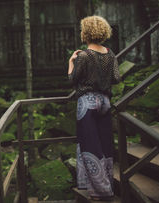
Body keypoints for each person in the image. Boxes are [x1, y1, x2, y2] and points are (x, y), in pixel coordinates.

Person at [68, 16, 121, 201]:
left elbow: (73, 79)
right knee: (105, 144)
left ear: (86, 32)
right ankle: (101, 184)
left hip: (88, 103)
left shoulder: (83, 55)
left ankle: (101, 191)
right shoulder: (110, 53)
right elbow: (116, 78)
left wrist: (70, 62)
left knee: (90, 145)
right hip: (105, 102)